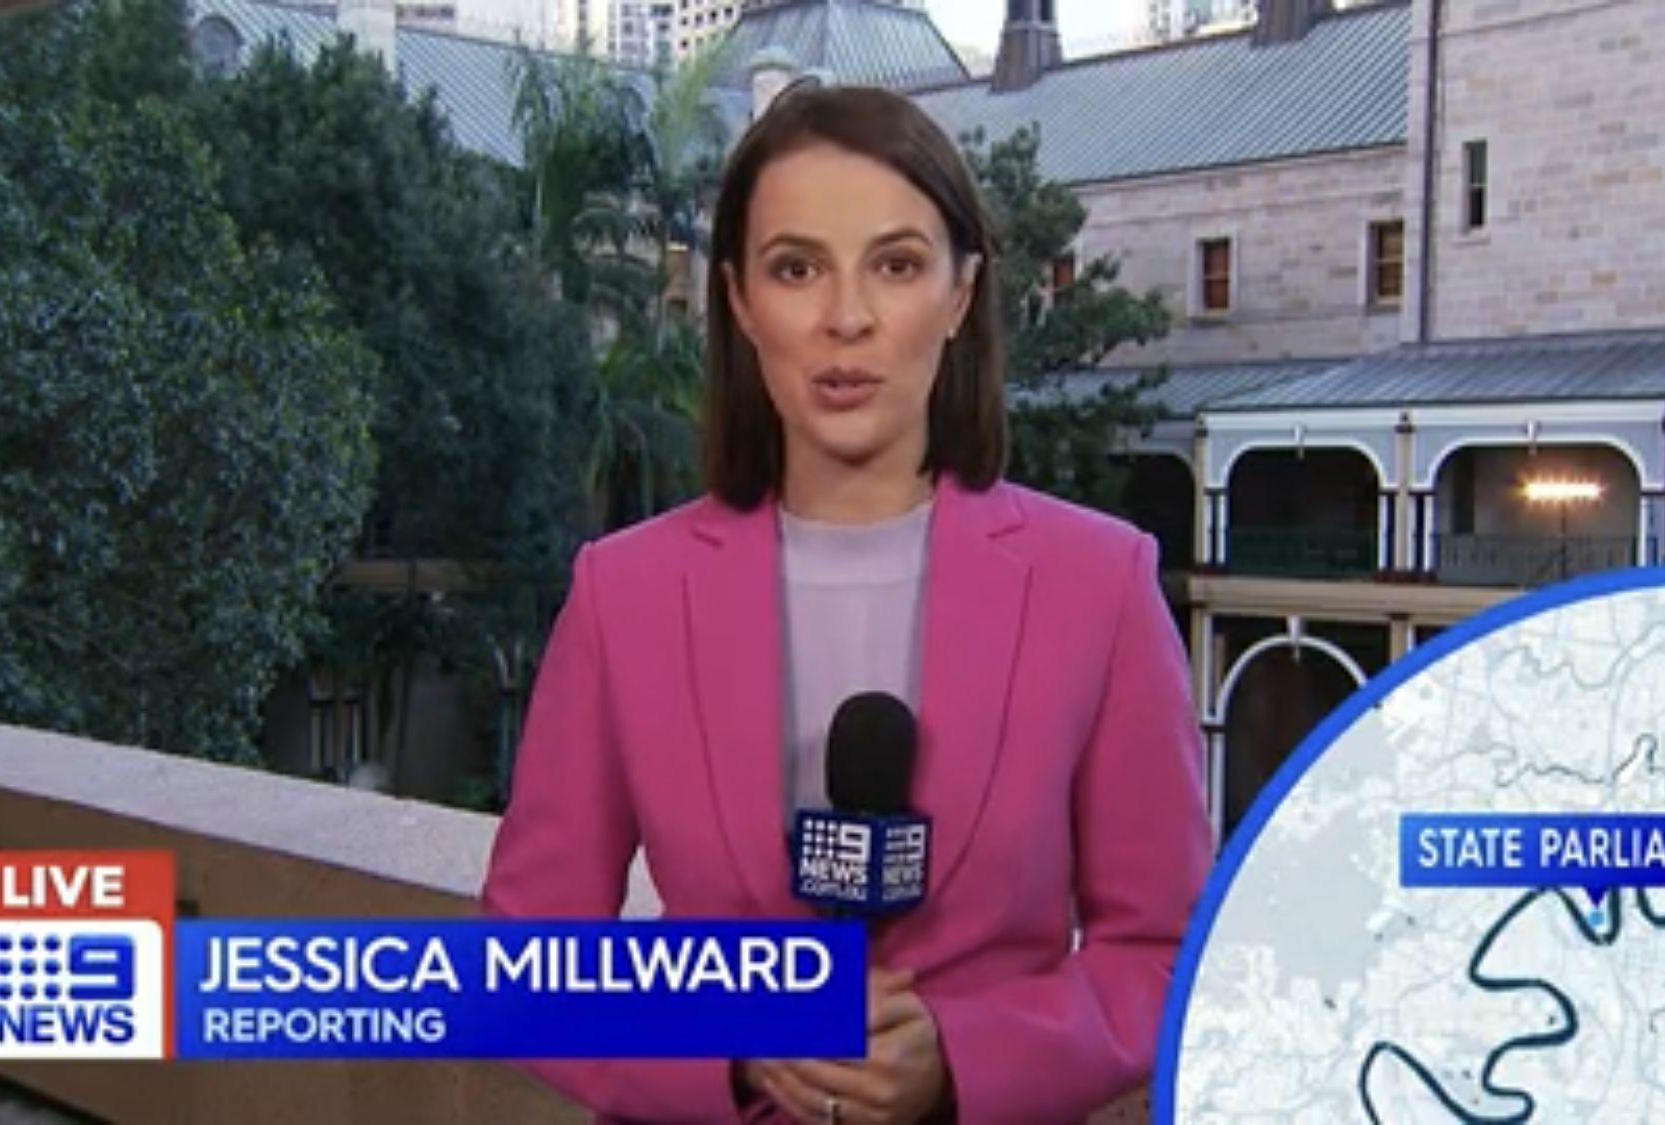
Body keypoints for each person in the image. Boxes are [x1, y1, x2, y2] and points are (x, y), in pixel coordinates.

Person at [480, 81, 1212, 1125]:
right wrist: (729, 1036)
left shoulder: (1100, 585)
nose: (846, 318)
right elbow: (526, 960)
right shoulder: (623, 594)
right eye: (796, 268)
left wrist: (963, 1055)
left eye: (897, 265)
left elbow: (1164, 953)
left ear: (960, 294)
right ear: (739, 301)